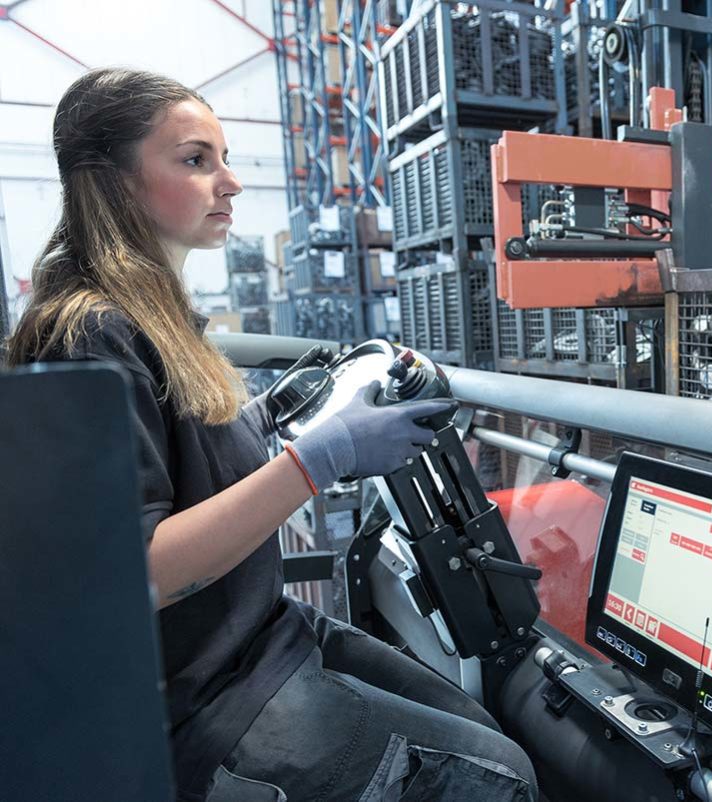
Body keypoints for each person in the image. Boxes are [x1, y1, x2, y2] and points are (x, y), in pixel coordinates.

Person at [5, 68, 537, 802]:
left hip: (265, 635)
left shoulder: (156, 315)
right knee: (499, 779)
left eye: (223, 158)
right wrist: (323, 457)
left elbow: (184, 459)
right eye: (195, 160)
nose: (229, 183)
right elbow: (141, 572)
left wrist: (278, 415)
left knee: (481, 729)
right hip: (206, 701)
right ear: (116, 183)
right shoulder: (91, 334)